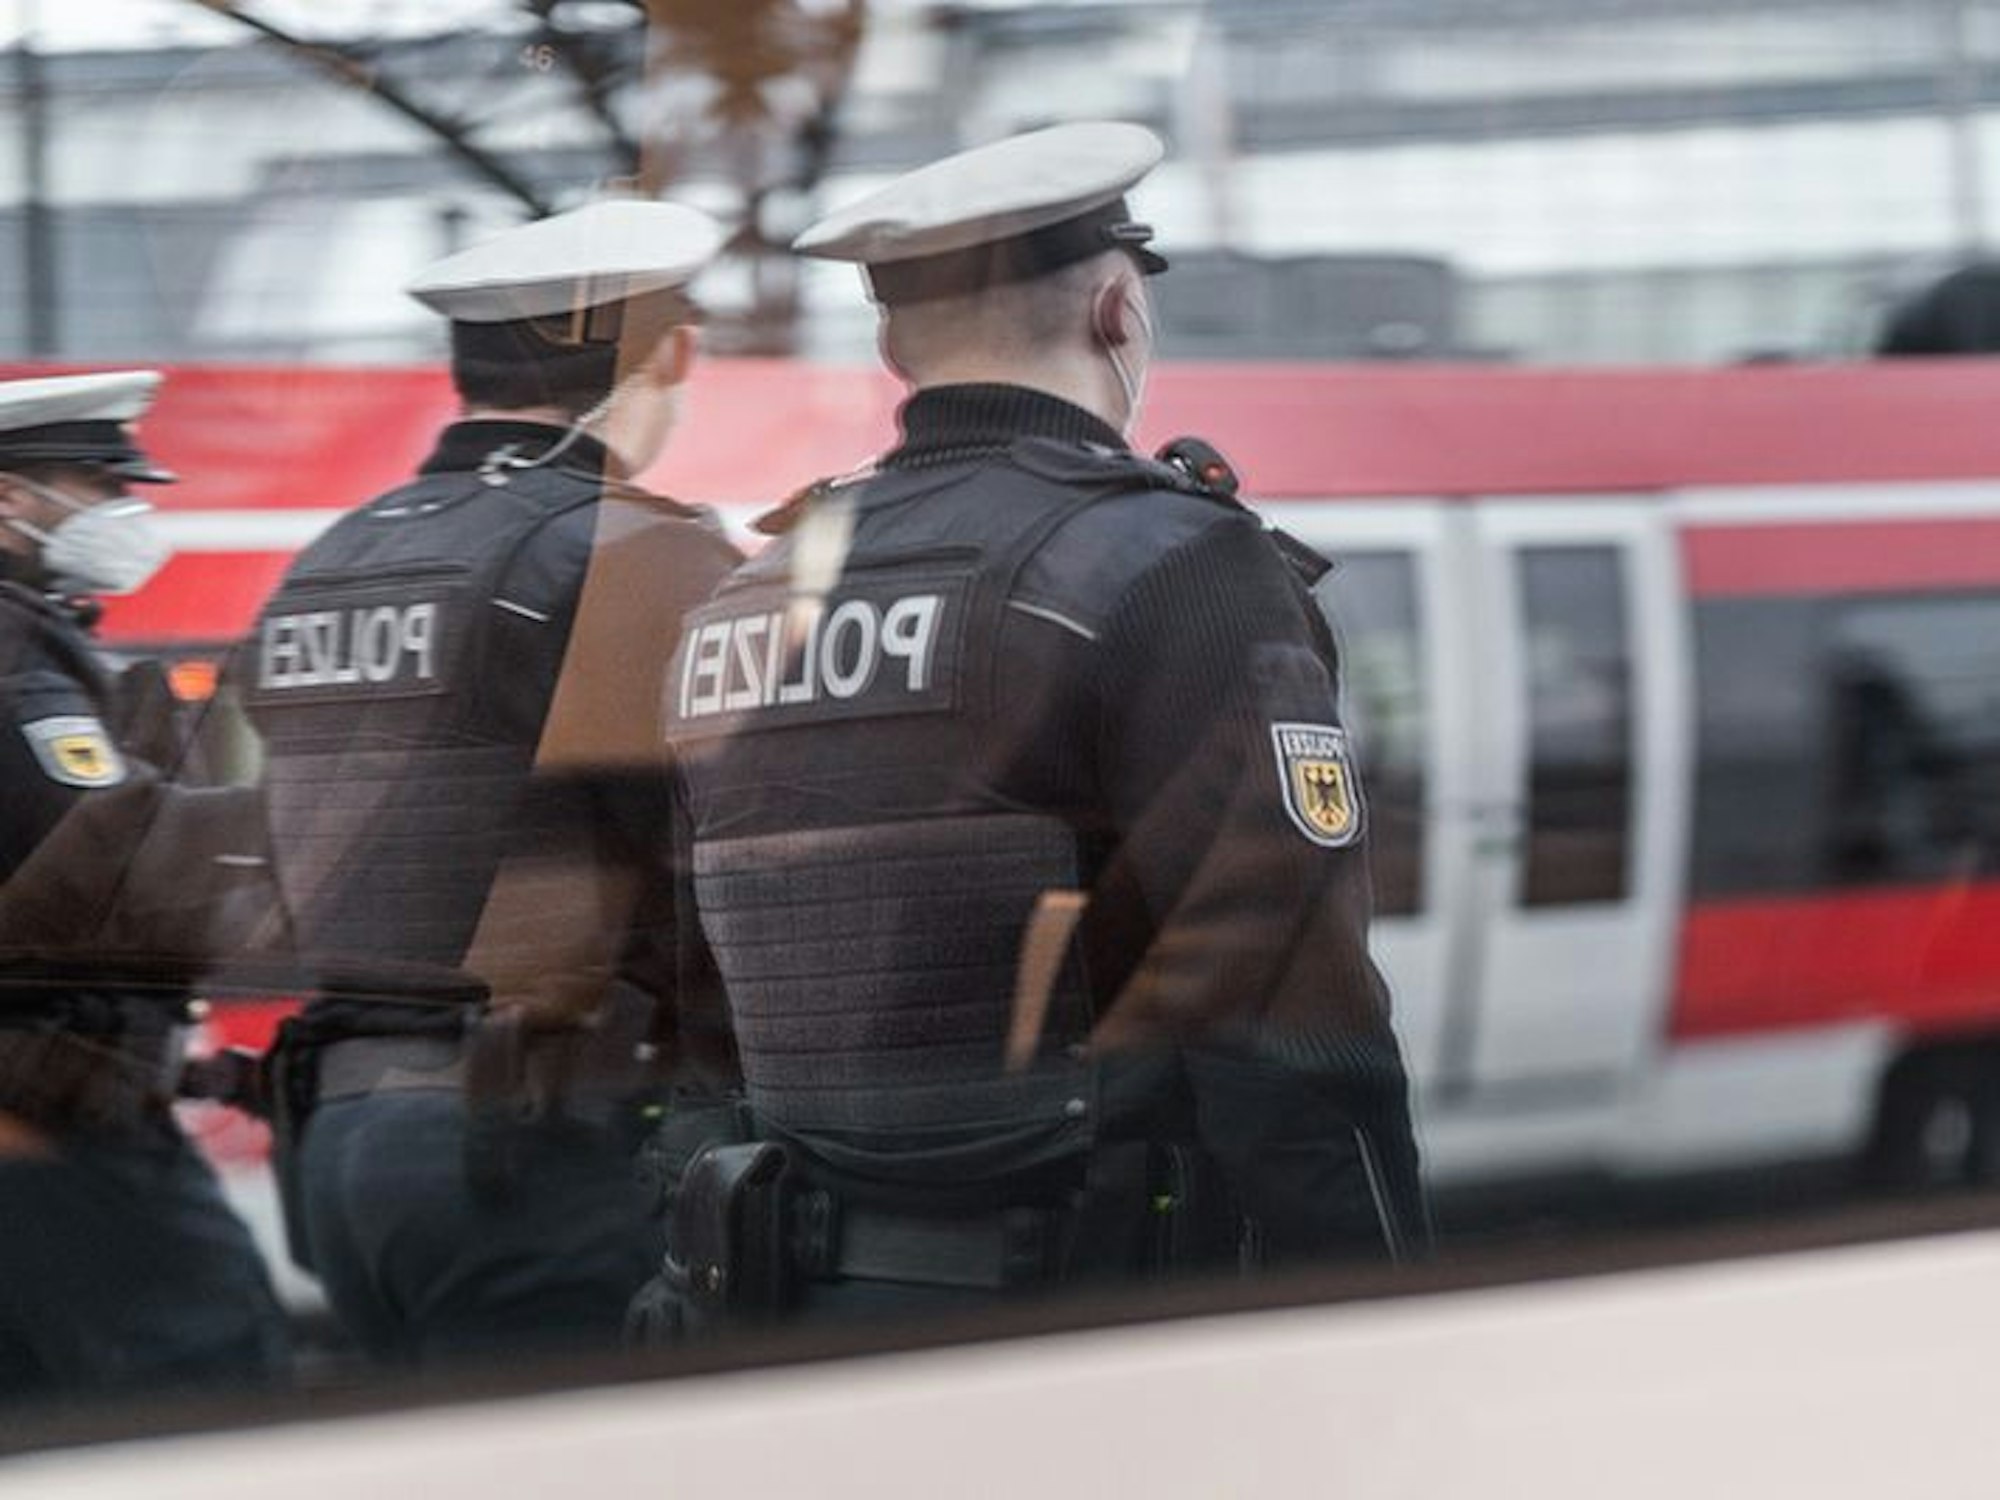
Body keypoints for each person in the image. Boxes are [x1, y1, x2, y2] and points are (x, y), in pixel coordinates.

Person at [653, 122, 1427, 1329]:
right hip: (1084, 1312)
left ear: (891, 341)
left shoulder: (745, 600)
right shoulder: (1169, 560)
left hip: (788, 1294)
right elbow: (1280, 1007)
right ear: (1117, 311)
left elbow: (698, 988)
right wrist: (1382, 1314)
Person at [241, 200, 742, 1366]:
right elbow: (717, 866)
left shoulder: (333, 560)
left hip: (346, 1145)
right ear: (670, 355)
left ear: (465, 368)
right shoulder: (628, 552)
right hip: (545, 1148)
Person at [0, 370, 290, 1401]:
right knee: (216, 1369)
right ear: (10, 501)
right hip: (58, 1115)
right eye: (102, 486)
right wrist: (292, 810)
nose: (129, 514)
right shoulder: (16, 659)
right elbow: (106, 857)